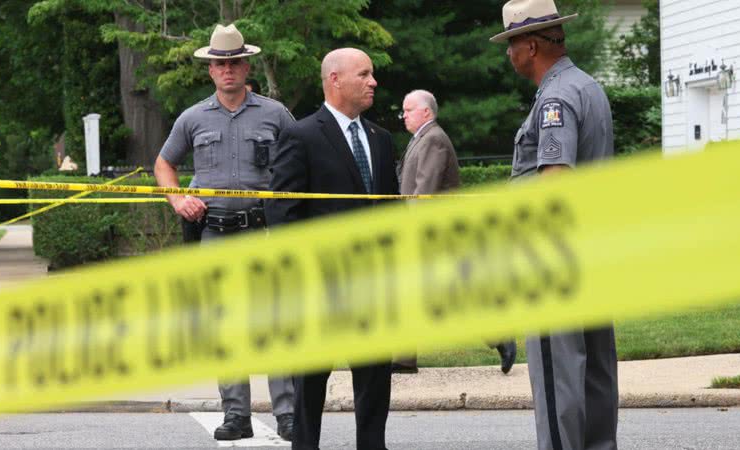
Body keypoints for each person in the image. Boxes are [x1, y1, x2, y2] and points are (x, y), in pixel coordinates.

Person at [153, 23, 295, 442]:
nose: (228, 70)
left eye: (234, 62)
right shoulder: (192, 118)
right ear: (211, 70)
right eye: (220, 64)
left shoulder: (275, 113)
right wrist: (178, 200)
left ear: (246, 66)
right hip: (214, 235)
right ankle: (237, 415)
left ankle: (287, 414)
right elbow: (164, 164)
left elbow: (297, 161)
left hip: (263, 233)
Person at [491, 0, 618, 449]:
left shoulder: (556, 99)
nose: (508, 54)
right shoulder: (589, 87)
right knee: (596, 378)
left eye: (510, 45)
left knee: (558, 382)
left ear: (529, 46)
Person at [265, 48, 399, 450]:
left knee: (375, 378)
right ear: (335, 80)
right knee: (310, 381)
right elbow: (282, 211)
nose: (373, 82)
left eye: (372, 74)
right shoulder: (301, 135)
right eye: (364, 74)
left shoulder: (381, 139)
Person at [393, 89, 517, 375]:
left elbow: (425, 190)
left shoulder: (434, 139)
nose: (404, 116)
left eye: (408, 110)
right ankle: (403, 358)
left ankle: (500, 334)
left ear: (426, 112)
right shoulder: (422, 138)